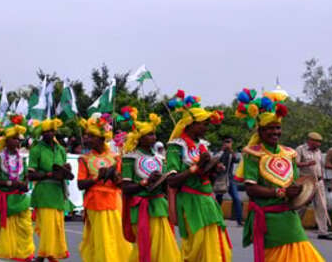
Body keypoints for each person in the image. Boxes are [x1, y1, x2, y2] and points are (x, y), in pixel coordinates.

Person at [233, 89, 325, 261]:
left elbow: (296, 182)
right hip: (268, 219)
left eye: (278, 128)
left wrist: (301, 190)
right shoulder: (253, 154)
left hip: (289, 216)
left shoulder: (289, 153)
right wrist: (280, 192)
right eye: (270, 128)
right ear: (259, 131)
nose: (275, 132)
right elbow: (250, 189)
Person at [165, 90, 232, 262]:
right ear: (190, 124)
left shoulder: (202, 145)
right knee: (195, 249)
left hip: (208, 200)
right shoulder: (175, 146)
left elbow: (206, 176)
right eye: (203, 123)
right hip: (190, 201)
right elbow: (172, 180)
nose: (206, 127)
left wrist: (214, 169)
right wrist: (197, 167)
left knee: (218, 246)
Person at [117, 108, 180, 262]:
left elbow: (166, 185)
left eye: (154, 134)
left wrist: (167, 179)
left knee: (164, 248)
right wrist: (145, 183)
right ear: (139, 138)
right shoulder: (130, 158)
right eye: (149, 134)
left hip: (159, 206)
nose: (154, 137)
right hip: (141, 208)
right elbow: (126, 188)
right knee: (145, 248)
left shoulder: (160, 158)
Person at [77, 113, 131, 262]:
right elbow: (80, 184)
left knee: (116, 236)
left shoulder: (116, 157)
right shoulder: (85, 159)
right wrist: (97, 178)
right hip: (95, 203)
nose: (87, 139)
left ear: (101, 139)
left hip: (114, 202)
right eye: (87, 136)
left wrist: (115, 177)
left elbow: (122, 183)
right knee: (101, 240)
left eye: (91, 136)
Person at [0, 120, 34, 261]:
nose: (18, 142)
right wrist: (10, 183)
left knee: (25, 229)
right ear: (7, 141)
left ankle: (24, 254)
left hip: (20, 198)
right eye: (15, 139)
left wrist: (24, 184)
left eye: (19, 139)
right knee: (2, 231)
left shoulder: (22, 158)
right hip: (4, 199)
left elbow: (26, 176)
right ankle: (6, 253)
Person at [26, 118, 71, 262]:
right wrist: (48, 174)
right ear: (42, 133)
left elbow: (64, 168)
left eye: (52, 131)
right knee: (47, 226)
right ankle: (42, 255)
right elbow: (31, 174)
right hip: (44, 191)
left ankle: (50, 254)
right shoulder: (36, 149)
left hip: (58, 191)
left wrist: (66, 170)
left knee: (57, 226)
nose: (50, 134)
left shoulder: (60, 149)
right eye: (46, 132)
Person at [294, 132, 331, 240]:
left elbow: (320, 166)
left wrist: (322, 178)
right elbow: (295, 163)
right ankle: (294, 227)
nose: (318, 144)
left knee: (322, 206)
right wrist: (307, 164)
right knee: (302, 205)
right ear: (310, 141)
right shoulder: (300, 149)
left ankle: (323, 232)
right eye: (316, 142)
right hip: (306, 181)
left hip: (318, 181)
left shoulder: (318, 151)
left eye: (319, 142)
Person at [213, 137, 243, 226]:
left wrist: (231, 150)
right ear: (223, 143)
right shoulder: (219, 152)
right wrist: (222, 150)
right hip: (220, 178)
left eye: (229, 142)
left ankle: (239, 220)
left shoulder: (231, 153)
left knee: (236, 199)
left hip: (230, 179)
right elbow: (214, 159)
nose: (227, 144)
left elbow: (237, 160)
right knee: (218, 199)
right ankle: (216, 218)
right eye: (226, 142)